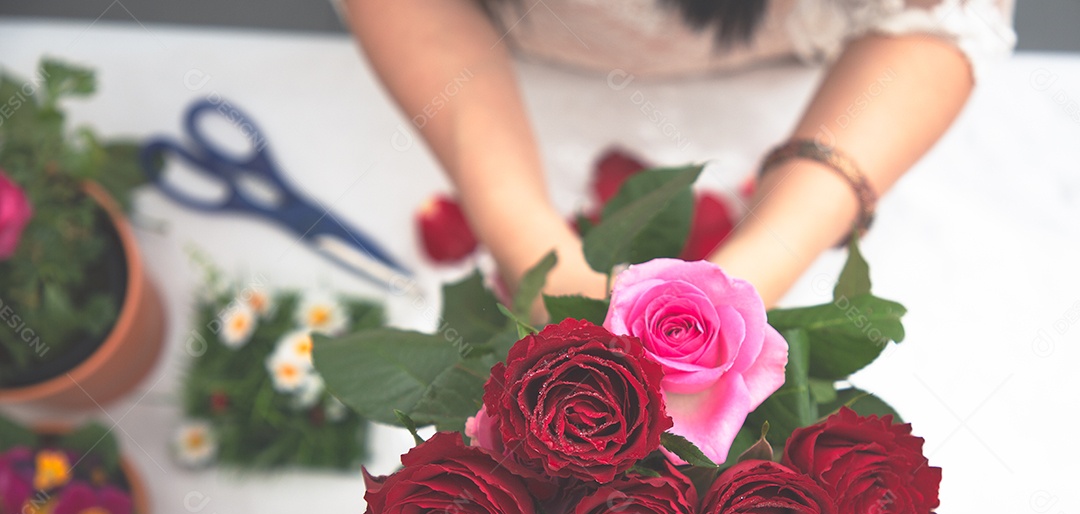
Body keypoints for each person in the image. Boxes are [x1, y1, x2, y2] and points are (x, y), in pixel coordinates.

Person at [340, 0, 1016, 309]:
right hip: (483, 68)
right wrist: (520, 230)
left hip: (831, 92)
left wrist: (760, 266)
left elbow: (942, 17)